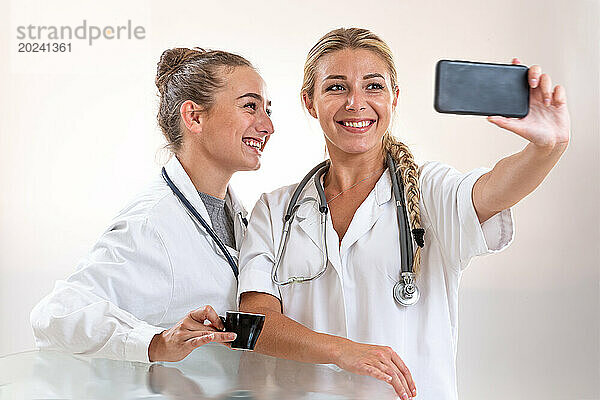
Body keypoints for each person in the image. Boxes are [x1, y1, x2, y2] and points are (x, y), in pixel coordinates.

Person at [237, 28, 570, 400]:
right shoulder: (275, 209)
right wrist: (341, 350)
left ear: (394, 98)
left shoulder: (430, 191)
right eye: (335, 87)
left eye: (373, 86)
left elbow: (492, 190)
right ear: (309, 102)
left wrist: (546, 148)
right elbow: (254, 324)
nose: (355, 103)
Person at [30, 47, 274, 363]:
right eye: (250, 107)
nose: (267, 125)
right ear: (195, 117)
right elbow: (56, 314)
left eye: (268, 110)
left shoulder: (240, 217)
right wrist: (155, 342)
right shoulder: (151, 222)